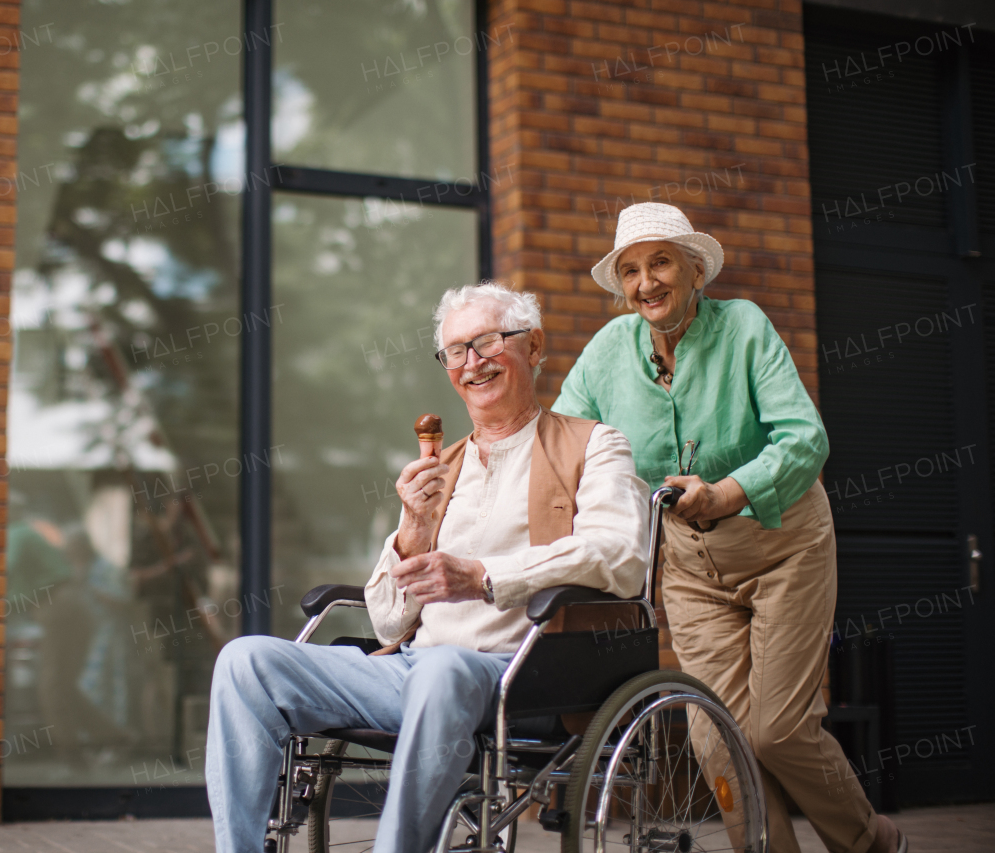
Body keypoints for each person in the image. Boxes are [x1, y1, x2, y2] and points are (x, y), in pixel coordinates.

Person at [205, 283, 651, 853]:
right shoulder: (442, 466)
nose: (473, 363)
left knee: (444, 672)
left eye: (488, 342)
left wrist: (482, 576)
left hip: (521, 676)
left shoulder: (594, 445)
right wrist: (413, 528)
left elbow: (620, 554)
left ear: (534, 346)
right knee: (246, 660)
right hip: (411, 670)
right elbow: (389, 625)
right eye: (456, 352)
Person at [552, 202, 907, 853]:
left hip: (781, 545)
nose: (645, 282)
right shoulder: (608, 352)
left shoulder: (743, 328)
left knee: (776, 730)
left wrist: (724, 491)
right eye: (630, 270)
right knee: (716, 736)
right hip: (689, 568)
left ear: (694, 268)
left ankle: (871, 841)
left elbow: (805, 439)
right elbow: (561, 440)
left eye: (660, 261)